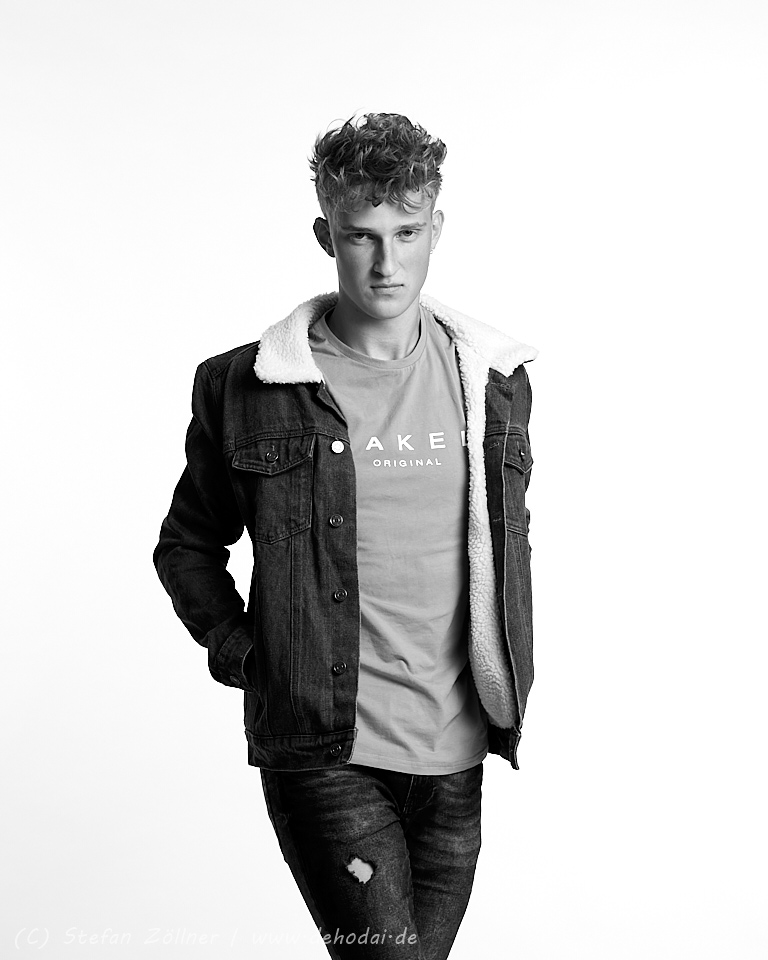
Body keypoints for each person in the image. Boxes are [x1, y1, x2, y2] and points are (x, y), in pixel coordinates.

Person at [153, 112, 537, 960]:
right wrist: (245, 653)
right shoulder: (248, 385)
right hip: (327, 752)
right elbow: (187, 545)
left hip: (458, 750)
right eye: (362, 236)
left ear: (436, 229)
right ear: (327, 235)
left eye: (407, 233)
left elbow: (506, 542)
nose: (386, 262)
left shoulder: (495, 380)